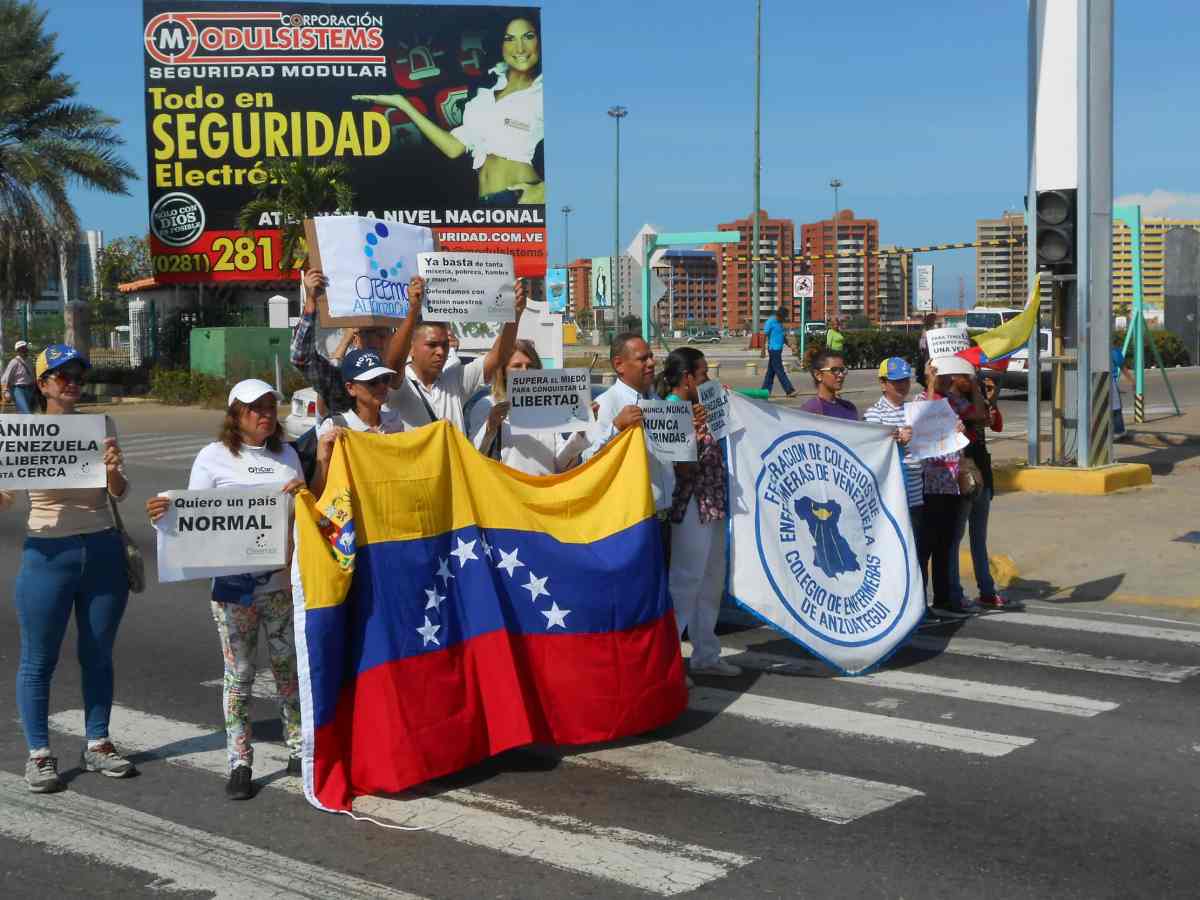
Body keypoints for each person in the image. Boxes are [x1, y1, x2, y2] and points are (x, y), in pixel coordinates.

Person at [146, 379, 307, 801]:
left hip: (279, 586)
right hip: (233, 591)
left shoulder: (287, 456)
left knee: (289, 670)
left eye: (270, 406)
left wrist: (302, 495)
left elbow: (303, 518)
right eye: (256, 408)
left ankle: (298, 748)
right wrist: (161, 512)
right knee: (240, 676)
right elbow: (192, 516)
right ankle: (240, 761)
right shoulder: (213, 457)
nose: (266, 414)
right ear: (235, 414)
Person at [0, 345, 134, 793]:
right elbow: (6, 499)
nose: (72, 383)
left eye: (78, 376)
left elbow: (119, 492)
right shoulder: (23, 433)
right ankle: (39, 754)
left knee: (98, 654)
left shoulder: (102, 426)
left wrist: (112, 470)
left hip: (102, 548)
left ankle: (97, 743)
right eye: (62, 376)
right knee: (38, 659)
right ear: (42, 385)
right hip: (47, 552)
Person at [352, 15, 544, 206]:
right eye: (510, 38)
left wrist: (543, 191)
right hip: (486, 202)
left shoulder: (543, 92)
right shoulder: (485, 95)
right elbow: (453, 148)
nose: (520, 48)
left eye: (528, 36)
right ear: (500, 45)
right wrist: (403, 104)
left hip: (521, 199)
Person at [657, 348, 740, 679]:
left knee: (710, 580)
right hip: (690, 502)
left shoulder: (700, 406)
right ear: (687, 378)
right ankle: (669, 663)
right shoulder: (669, 410)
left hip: (712, 500)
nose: (708, 380)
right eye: (703, 374)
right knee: (686, 580)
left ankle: (706, 653)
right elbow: (679, 467)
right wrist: (691, 432)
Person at [381, 275, 525, 433]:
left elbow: (499, 355)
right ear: (411, 348)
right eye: (432, 345)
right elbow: (392, 365)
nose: (440, 352)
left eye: (445, 345)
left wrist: (515, 315)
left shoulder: (455, 379)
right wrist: (413, 311)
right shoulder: (400, 383)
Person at [946, 371, 1016, 610]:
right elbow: (973, 424)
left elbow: (996, 424)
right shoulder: (950, 401)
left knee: (979, 537)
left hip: (982, 473)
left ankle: (986, 590)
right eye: (967, 374)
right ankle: (954, 592)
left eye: (974, 374)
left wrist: (990, 400)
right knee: (955, 538)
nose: (972, 378)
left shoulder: (977, 397)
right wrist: (979, 397)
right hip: (963, 476)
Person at [468, 339, 588, 475]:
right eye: (517, 366)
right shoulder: (488, 405)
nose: (524, 371)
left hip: (543, 487)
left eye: (530, 366)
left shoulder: (547, 409)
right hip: (506, 487)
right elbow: (473, 457)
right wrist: (490, 427)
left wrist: (580, 432)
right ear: (503, 372)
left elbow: (559, 464)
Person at [583, 332, 674, 511]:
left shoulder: (656, 400)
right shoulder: (605, 405)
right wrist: (616, 427)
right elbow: (588, 461)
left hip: (666, 512)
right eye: (643, 359)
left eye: (651, 356)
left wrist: (689, 436)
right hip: (634, 516)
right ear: (619, 365)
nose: (651, 363)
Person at [916, 357, 976, 617]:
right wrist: (930, 384)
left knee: (945, 545)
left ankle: (943, 599)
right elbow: (924, 423)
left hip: (951, 482)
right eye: (939, 374)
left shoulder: (952, 402)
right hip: (930, 484)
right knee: (926, 547)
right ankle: (920, 603)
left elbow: (976, 415)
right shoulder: (921, 400)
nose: (946, 378)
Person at [292, 269, 395, 418]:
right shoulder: (341, 382)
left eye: (381, 335)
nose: (375, 340)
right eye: (367, 333)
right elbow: (301, 358)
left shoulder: (406, 375)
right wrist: (311, 301)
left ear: (391, 337)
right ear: (356, 338)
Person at [310, 349, 405, 497]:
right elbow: (318, 495)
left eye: (385, 379)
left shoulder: (394, 422)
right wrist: (324, 458)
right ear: (350, 388)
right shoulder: (333, 426)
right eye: (373, 382)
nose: (382, 386)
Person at [864, 357, 922, 558]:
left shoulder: (913, 411)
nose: (902, 386)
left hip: (917, 494)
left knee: (917, 555)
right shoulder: (874, 414)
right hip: (893, 497)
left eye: (905, 380)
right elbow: (872, 452)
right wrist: (896, 442)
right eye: (896, 381)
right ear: (883, 383)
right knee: (897, 555)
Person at [802, 347, 859, 420]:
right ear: (818, 375)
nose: (841, 375)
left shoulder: (849, 407)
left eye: (842, 370)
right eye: (834, 370)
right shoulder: (812, 410)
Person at [759, 306, 797, 398]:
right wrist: (763, 350)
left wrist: (790, 346)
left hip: (778, 350)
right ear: (779, 315)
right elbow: (764, 335)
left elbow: (783, 337)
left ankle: (764, 391)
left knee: (771, 372)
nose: (784, 319)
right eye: (784, 317)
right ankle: (789, 390)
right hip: (773, 350)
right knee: (780, 371)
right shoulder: (770, 321)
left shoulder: (780, 323)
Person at [2, 340, 35, 413]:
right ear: (18, 351)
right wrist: (5, 391)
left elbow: (32, 374)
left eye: (24, 348)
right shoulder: (14, 362)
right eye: (21, 349)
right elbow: (5, 377)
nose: (24, 350)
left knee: (27, 411)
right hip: (18, 389)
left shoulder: (29, 361)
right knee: (25, 411)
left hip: (30, 389)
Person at [1111, 346, 1134, 440]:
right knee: (1116, 408)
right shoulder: (1113, 350)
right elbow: (1122, 367)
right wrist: (1132, 381)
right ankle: (1119, 432)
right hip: (1110, 381)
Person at [916, 313, 939, 389]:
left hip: (933, 358)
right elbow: (922, 346)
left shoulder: (935, 330)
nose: (931, 320)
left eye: (932, 319)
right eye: (929, 318)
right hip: (925, 358)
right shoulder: (923, 331)